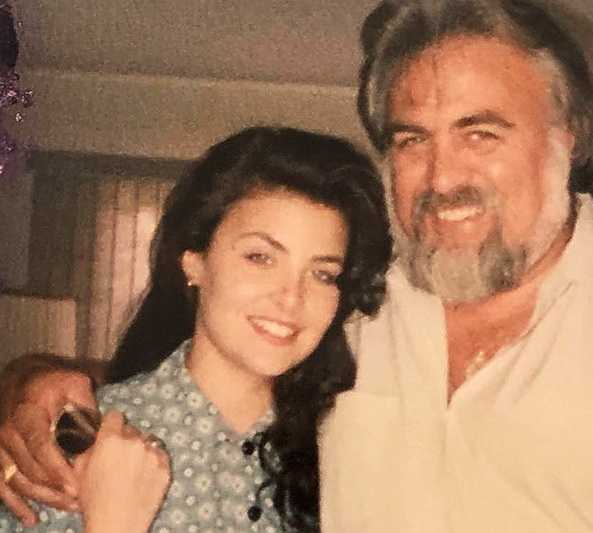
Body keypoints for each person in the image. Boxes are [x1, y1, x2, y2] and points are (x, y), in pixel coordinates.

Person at [2, 1, 593, 532]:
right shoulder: (360, 303)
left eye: (481, 132)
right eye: (412, 139)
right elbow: (214, 360)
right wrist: (32, 383)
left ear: (569, 138)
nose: (442, 176)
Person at [0, 126, 391, 532]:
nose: (292, 298)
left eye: (323, 274)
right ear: (194, 261)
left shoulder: (348, 452)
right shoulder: (77, 444)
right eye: (260, 257)